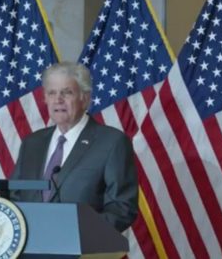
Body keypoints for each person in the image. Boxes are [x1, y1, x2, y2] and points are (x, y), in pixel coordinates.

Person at [10, 62, 138, 232]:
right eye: (52, 93)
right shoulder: (32, 143)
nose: (58, 100)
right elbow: (15, 196)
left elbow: (122, 208)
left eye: (67, 92)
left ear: (85, 99)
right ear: (45, 98)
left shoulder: (112, 142)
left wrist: (76, 232)